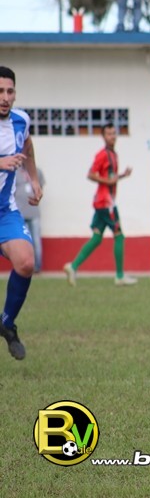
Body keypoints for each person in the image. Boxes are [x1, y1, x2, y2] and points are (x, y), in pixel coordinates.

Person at [0, 66, 43, 361]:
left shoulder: (21, 120)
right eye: (0, 92)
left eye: (9, 91)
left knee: (27, 263)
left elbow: (27, 144)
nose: (4, 97)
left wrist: (34, 179)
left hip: (5, 211)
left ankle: (7, 324)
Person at [63, 123, 137, 287]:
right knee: (119, 236)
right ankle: (119, 276)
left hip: (102, 202)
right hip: (106, 202)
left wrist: (122, 176)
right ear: (103, 136)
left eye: (114, 133)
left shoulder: (114, 154)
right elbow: (91, 175)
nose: (112, 136)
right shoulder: (102, 154)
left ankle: (73, 267)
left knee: (97, 238)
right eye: (109, 134)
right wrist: (107, 181)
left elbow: (110, 177)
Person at [14, 166, 45, 273]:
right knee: (24, 242)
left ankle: (37, 267)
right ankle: (24, 266)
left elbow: (41, 188)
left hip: (34, 212)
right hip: (20, 213)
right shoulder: (15, 172)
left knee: (36, 240)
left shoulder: (37, 172)